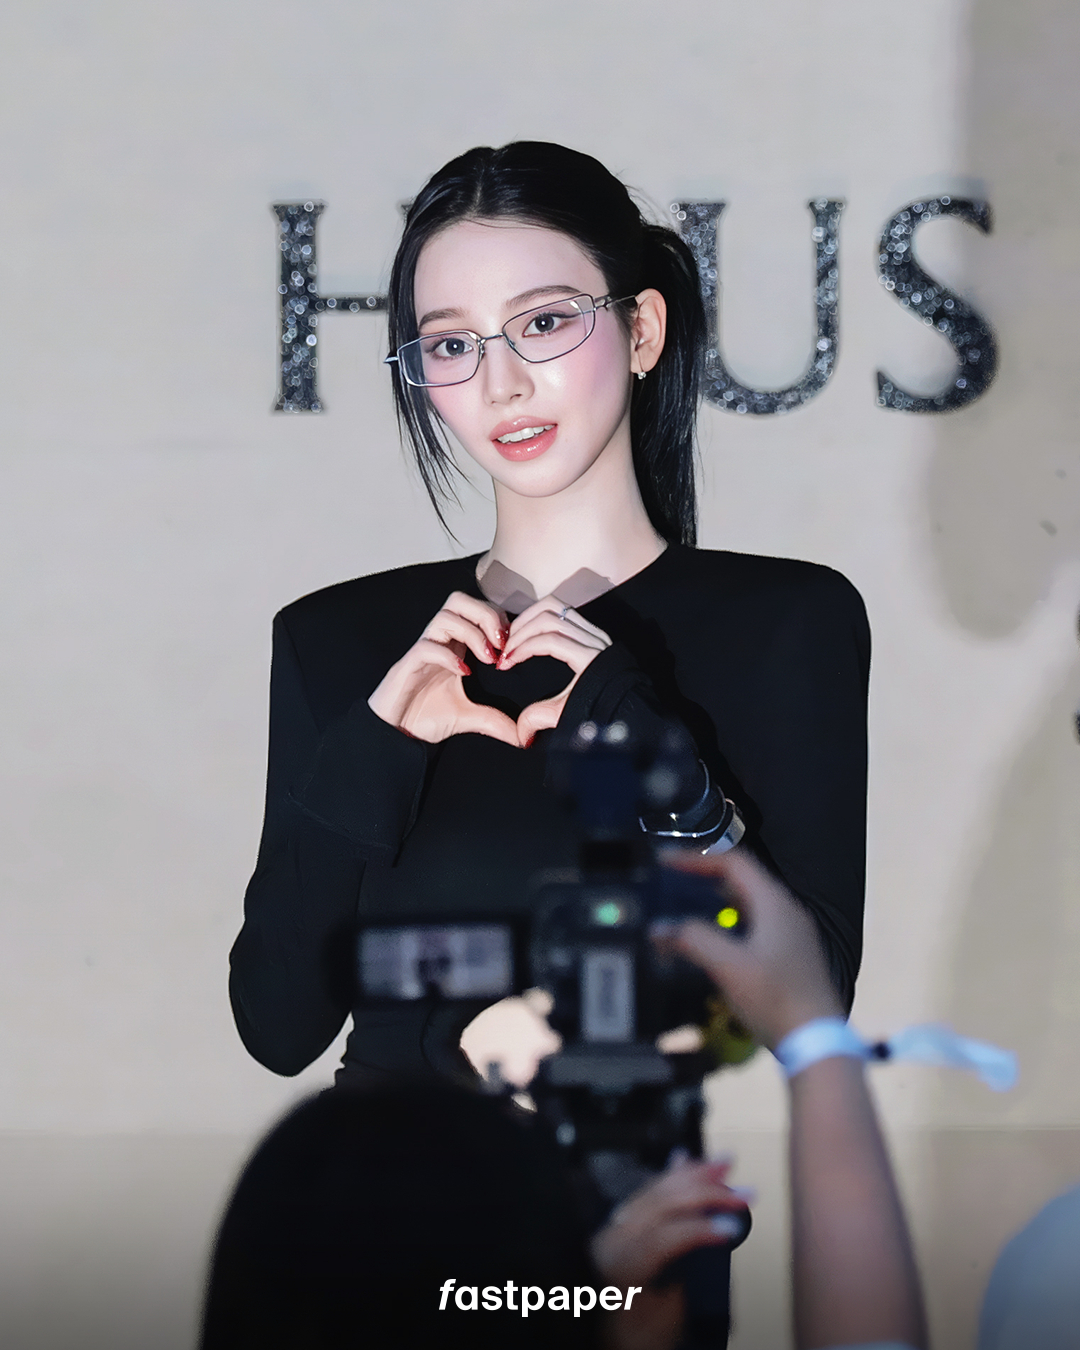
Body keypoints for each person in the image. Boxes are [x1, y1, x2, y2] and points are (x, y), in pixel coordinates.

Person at [228, 139, 871, 1092]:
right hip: (377, 1178)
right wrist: (373, 750)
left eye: (544, 322)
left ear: (643, 331)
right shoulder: (341, 640)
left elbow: (803, 1013)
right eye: (452, 344)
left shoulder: (785, 624)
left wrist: (671, 782)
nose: (503, 384)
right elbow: (277, 1024)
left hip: (619, 1183)